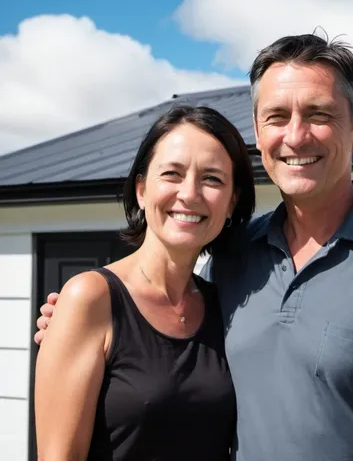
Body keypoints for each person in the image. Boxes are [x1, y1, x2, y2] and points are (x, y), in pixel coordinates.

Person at [36, 34, 353, 460]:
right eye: (277, 117)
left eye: (319, 115)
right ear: (258, 134)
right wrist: (77, 324)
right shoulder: (236, 257)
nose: (296, 136)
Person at [34, 105, 255, 460]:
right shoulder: (91, 298)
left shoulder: (223, 304)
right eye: (172, 174)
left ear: (232, 202)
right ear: (141, 190)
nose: (190, 193)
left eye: (212, 178)